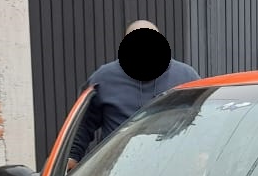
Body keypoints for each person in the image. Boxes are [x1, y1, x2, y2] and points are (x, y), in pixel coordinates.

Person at [69, 20, 200, 164]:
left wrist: (202, 156)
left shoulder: (186, 77)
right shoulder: (104, 78)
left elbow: (201, 121)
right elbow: (82, 126)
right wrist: (71, 158)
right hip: (115, 171)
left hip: (170, 167)